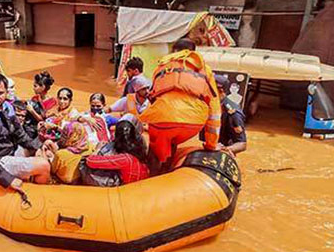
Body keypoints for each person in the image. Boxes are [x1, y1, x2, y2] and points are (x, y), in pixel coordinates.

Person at [140, 38, 221, 169]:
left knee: (156, 146)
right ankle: (168, 170)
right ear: (193, 52)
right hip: (193, 123)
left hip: (163, 121)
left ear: (174, 51)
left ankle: (150, 176)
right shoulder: (205, 69)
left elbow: (153, 98)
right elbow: (214, 109)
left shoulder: (161, 67)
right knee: (173, 139)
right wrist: (211, 144)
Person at [85, 120, 150, 186]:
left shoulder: (124, 159)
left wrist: (97, 148)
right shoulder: (140, 145)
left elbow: (90, 161)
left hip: (130, 187)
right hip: (142, 182)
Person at [204, 75, 247, 156]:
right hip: (210, 146)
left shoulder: (233, 114)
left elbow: (242, 144)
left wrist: (225, 149)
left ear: (220, 91)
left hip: (221, 152)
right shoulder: (210, 104)